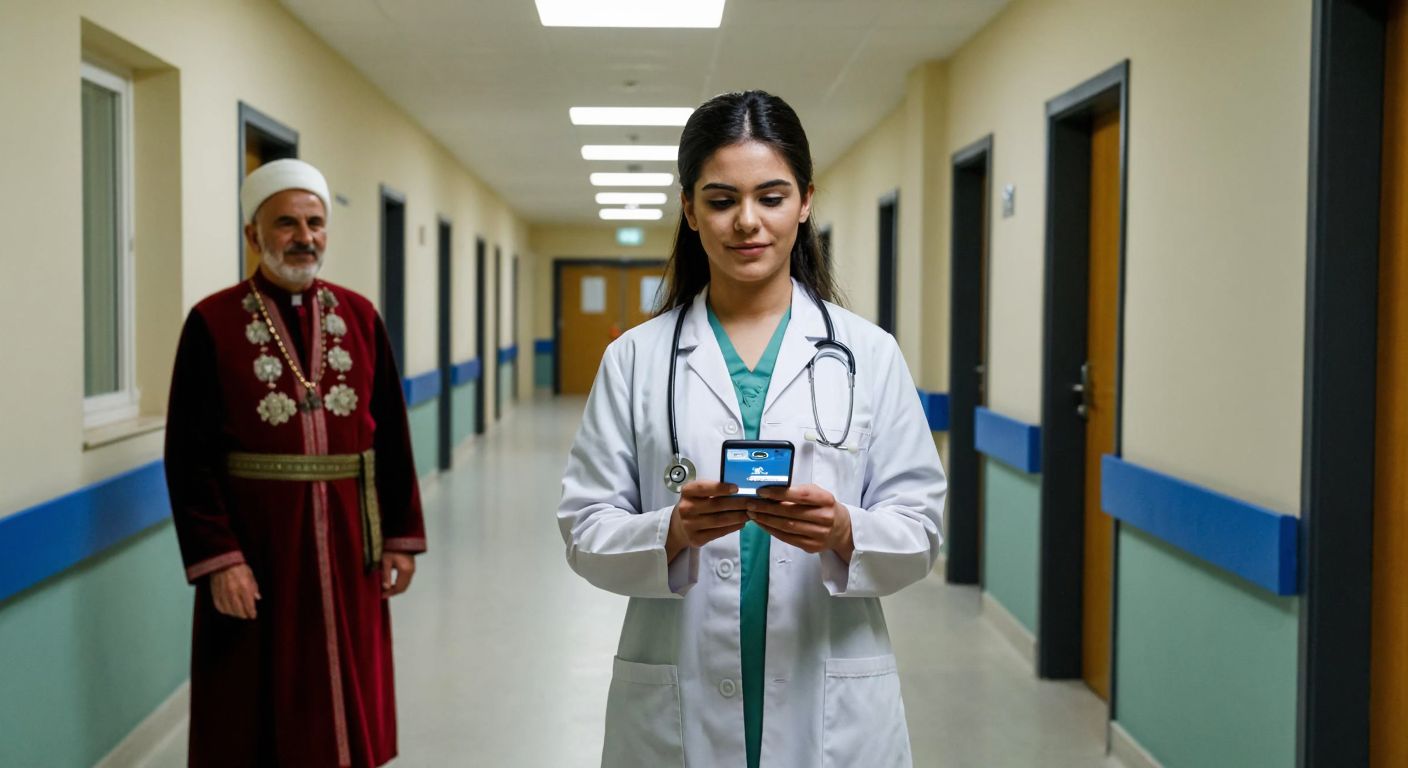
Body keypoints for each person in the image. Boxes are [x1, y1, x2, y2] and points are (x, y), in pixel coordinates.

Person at [558, 91, 946, 768]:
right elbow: (585, 526)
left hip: (828, 695)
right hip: (680, 691)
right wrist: (669, 532)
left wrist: (846, 531)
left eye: (771, 196)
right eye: (720, 199)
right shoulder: (635, 360)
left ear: (805, 202)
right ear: (689, 210)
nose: (747, 222)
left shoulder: (868, 354)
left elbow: (921, 527)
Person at [165, 159, 426, 767]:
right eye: (285, 223)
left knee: (344, 680)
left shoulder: (359, 317)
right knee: (251, 702)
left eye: (315, 222)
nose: (304, 237)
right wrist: (219, 560)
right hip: (259, 548)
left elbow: (388, 437)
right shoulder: (213, 322)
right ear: (254, 235)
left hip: (347, 544)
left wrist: (400, 538)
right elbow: (188, 456)